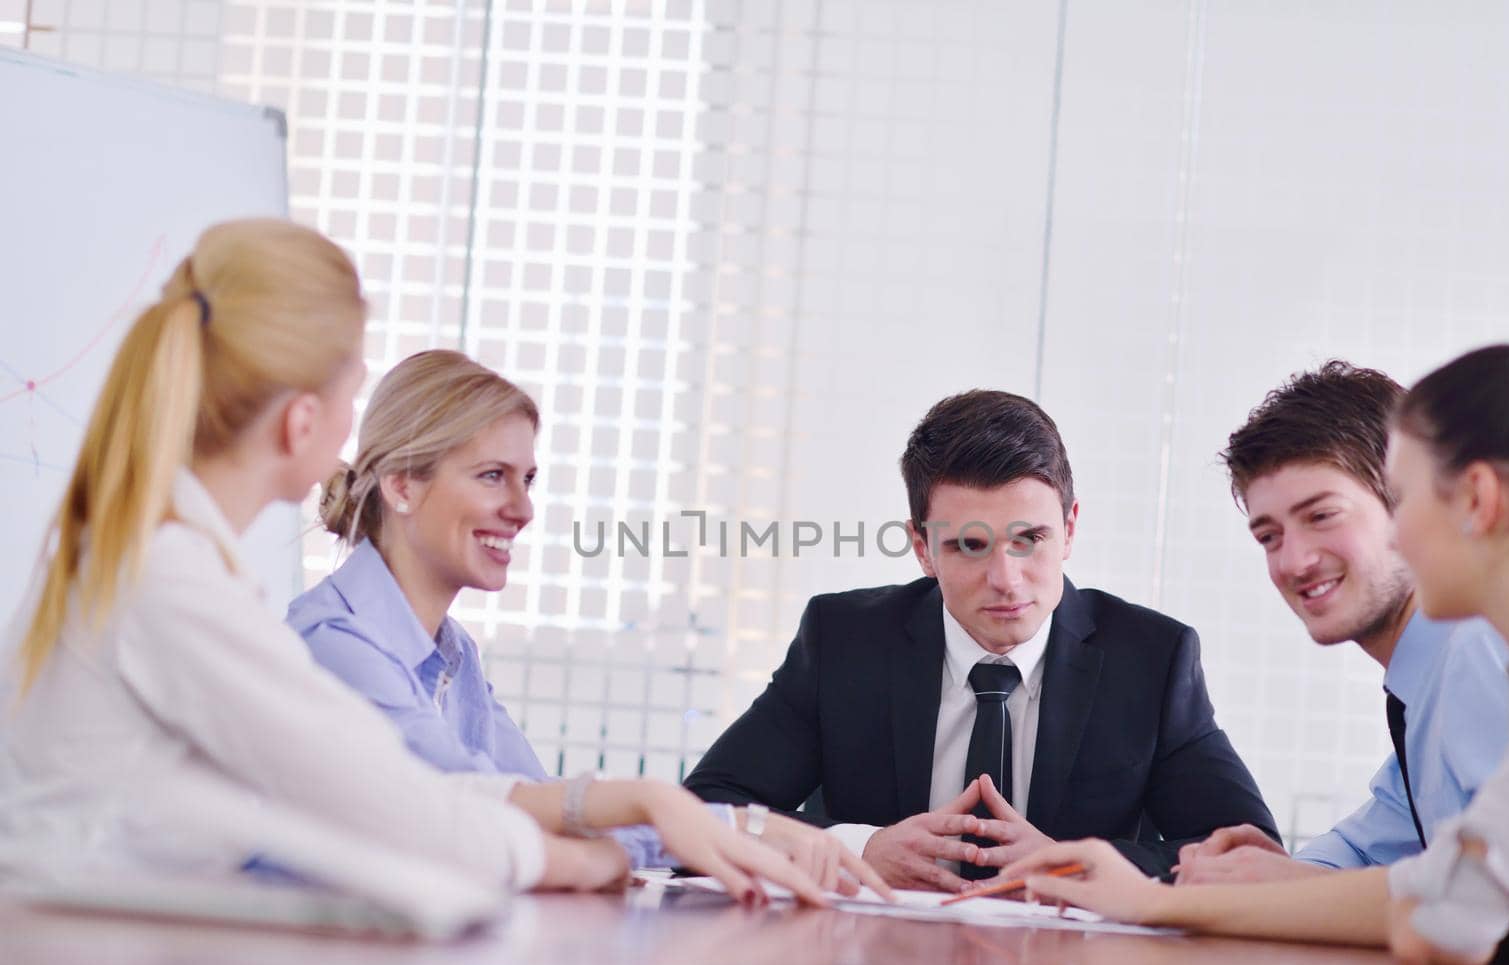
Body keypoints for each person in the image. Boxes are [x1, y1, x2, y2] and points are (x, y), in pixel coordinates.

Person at [0, 219, 826, 909]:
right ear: (298, 423)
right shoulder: (175, 584)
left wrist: (641, 812)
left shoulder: (172, 565)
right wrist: (565, 857)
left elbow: (410, 788)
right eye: (352, 391)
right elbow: (385, 800)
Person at [1004, 334, 1509, 965]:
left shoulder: (1508, 661)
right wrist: (1254, 876)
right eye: (1269, 536)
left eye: (1404, 498)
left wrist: (1157, 902)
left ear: (1476, 501)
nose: (1293, 561)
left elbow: (1453, 913)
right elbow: (1396, 853)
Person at [288, 349, 890, 899]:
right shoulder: (336, 643)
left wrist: (720, 827)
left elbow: (548, 811)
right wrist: (676, 819)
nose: (523, 510)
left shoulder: (452, 653)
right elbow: (473, 817)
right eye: (492, 476)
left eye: (527, 481)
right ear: (401, 486)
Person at [685, 389, 1278, 892]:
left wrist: (1072, 866)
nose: (1006, 579)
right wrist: (859, 849)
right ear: (922, 548)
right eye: (969, 546)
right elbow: (703, 813)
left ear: (1069, 530)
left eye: (1030, 539)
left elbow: (1246, 857)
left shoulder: (1151, 660)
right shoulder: (844, 641)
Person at [1173, 362, 1509, 884]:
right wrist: (1270, 872)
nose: (1293, 562)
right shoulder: (1424, 684)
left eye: (1321, 515)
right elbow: (1371, 845)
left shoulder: (1478, 650)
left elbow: (1494, 893)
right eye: (1269, 536)